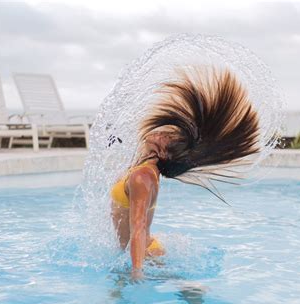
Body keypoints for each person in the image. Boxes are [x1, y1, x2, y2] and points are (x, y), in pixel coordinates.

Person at [111, 67, 260, 276]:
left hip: (144, 256)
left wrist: (137, 272)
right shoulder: (142, 169)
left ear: (164, 153)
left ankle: (193, 292)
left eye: (167, 137)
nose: (161, 132)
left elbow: (138, 226)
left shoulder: (142, 177)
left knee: (175, 285)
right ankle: (191, 292)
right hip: (139, 252)